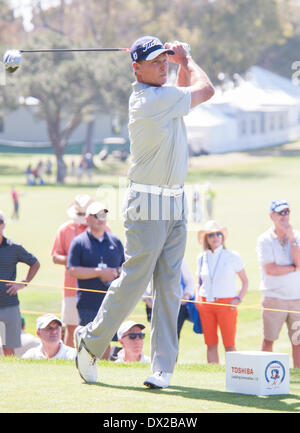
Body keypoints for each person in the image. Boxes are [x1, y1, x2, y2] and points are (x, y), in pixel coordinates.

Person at [74, 36, 214, 389]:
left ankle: (163, 367)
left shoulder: (166, 98)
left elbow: (187, 98)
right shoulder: (149, 99)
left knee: (169, 285)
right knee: (136, 280)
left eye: (164, 59)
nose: (162, 65)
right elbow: (206, 89)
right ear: (136, 68)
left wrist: (179, 63)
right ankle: (91, 342)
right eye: (155, 62)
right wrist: (188, 58)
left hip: (175, 200)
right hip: (147, 202)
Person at [68, 201, 124, 359]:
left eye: (103, 215)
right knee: (89, 341)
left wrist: (114, 272)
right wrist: (99, 272)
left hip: (112, 302)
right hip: (88, 302)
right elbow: (73, 270)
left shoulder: (115, 241)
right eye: (97, 215)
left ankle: (104, 369)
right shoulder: (79, 242)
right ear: (87, 218)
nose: (101, 218)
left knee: (108, 340)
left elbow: (125, 267)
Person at [195, 220, 248, 364]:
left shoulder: (232, 256)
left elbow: (245, 282)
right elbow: (198, 282)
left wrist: (238, 299)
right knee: (211, 343)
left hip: (227, 304)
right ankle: (214, 373)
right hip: (206, 304)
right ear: (206, 238)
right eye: (211, 234)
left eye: (218, 234)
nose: (215, 237)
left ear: (222, 237)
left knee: (229, 344)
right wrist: (197, 299)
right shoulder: (201, 258)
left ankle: (235, 374)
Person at [256, 200, 300, 368]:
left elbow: (299, 262)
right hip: (274, 298)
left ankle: (297, 375)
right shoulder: (264, 240)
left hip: (297, 299)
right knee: (269, 339)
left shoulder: (296, 236)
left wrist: (292, 239)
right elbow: (271, 269)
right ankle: (265, 374)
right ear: (271, 216)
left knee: (298, 341)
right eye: (280, 213)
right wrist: (293, 267)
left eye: (287, 212)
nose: (285, 216)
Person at [51, 194, 95, 347]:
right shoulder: (65, 229)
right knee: (71, 327)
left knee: (96, 328)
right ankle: (69, 362)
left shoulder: (103, 228)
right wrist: (75, 261)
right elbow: (56, 256)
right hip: (72, 288)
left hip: (96, 288)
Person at [0, 209, 40, 356]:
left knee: (8, 348)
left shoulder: (14, 248)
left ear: (3, 225)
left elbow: (35, 263)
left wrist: (23, 283)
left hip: (9, 305)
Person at [143, 258, 195, 339]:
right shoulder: (151, 256)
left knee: (174, 337)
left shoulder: (179, 257)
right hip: (156, 305)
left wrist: (186, 296)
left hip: (177, 305)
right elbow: (142, 280)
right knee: (158, 336)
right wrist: (146, 299)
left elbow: (189, 280)